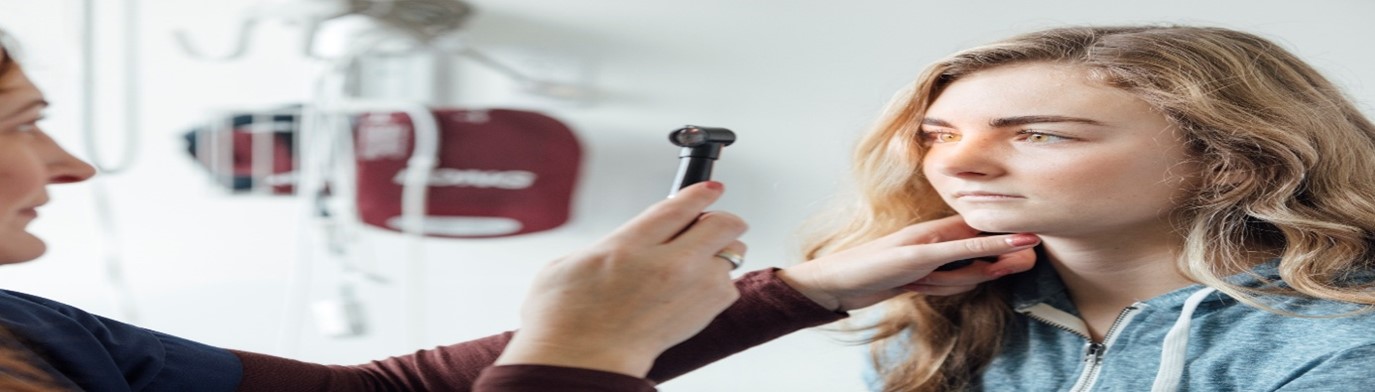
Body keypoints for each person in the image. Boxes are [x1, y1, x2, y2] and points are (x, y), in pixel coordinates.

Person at [0, 29, 1042, 391]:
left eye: (1047, 133)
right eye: (23, 123)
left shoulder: (26, 327)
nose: (73, 164)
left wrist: (804, 290)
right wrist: (586, 342)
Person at [799, 25, 1375, 391]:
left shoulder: (1348, 344)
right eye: (940, 136)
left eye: (1040, 134)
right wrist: (803, 292)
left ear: (1233, 160)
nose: (956, 164)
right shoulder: (937, 321)